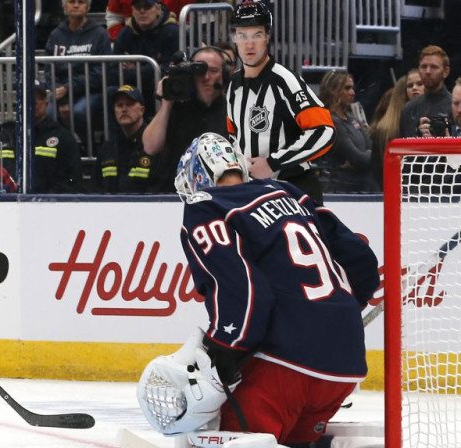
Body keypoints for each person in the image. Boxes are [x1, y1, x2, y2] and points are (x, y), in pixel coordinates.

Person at [137, 132, 379, 447]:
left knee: (233, 436)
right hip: (344, 364)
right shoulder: (289, 192)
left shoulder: (206, 206)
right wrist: (333, 316)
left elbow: (243, 292)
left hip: (284, 365)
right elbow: (362, 264)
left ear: (197, 178)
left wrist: (223, 354)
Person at [225, 0, 335, 204]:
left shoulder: (285, 81)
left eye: (256, 35)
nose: (249, 44)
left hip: (294, 191)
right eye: (242, 35)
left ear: (268, 36)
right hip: (253, 194)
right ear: (234, 38)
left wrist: (274, 163)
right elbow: (234, 135)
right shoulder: (233, 86)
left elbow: (324, 130)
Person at [142, 46, 229, 191]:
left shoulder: (234, 111)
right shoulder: (176, 107)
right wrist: (166, 103)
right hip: (173, 193)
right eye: (200, 70)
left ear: (224, 75)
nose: (206, 77)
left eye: (213, 71)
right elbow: (150, 147)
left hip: (218, 194)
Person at [45, 0, 112, 138]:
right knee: (48, 113)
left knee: (80, 112)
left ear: (87, 7)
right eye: (71, 2)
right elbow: (49, 71)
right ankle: (60, 150)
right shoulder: (56, 35)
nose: (76, 5)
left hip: (91, 91)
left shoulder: (99, 34)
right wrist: (62, 98)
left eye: (81, 2)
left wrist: (69, 88)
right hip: (61, 93)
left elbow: (100, 73)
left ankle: (88, 149)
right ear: (64, 7)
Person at [93, 84, 165, 192]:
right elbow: (95, 187)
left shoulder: (155, 145)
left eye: (129, 104)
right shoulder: (108, 148)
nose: (124, 109)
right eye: (119, 105)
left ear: (142, 110)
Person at [111, 0, 179, 112]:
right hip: (131, 89)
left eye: (147, 7)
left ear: (158, 9)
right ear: (132, 11)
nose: (142, 11)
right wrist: (154, 67)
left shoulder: (172, 32)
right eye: (138, 7)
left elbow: (169, 70)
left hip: (160, 88)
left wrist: (135, 70)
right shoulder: (125, 33)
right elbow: (112, 73)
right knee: (111, 92)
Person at [318, 70, 377, 192]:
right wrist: (365, 156)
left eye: (352, 88)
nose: (352, 92)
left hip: (362, 185)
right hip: (342, 188)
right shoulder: (330, 120)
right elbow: (357, 158)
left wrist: (365, 156)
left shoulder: (352, 118)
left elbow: (372, 151)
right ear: (333, 91)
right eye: (347, 88)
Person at [399, 45, 452, 138]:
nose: (427, 71)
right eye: (424, 67)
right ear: (418, 70)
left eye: (434, 67)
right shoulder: (408, 110)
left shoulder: (455, 107)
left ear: (445, 71)